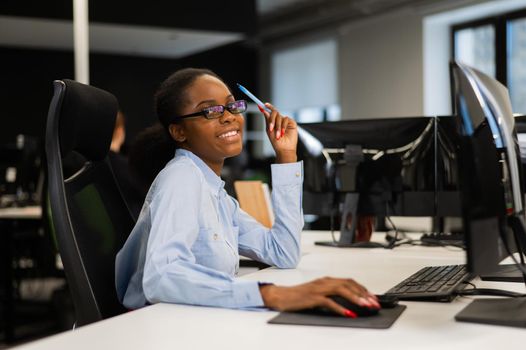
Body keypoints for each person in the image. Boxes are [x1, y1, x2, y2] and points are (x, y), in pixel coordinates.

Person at [115, 68, 379, 316]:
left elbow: (283, 252)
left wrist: (286, 154)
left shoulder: (217, 194)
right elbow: (161, 276)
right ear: (179, 131)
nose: (229, 116)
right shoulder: (182, 177)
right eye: (210, 111)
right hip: (158, 327)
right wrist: (270, 295)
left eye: (232, 105)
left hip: (195, 319)